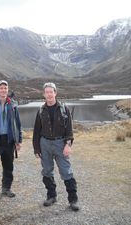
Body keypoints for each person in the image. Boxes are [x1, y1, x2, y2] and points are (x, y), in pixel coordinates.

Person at [32, 82, 79, 211]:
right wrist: (36, 149)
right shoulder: (41, 110)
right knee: (47, 171)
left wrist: (68, 144)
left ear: (55, 93)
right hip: (44, 144)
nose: (49, 94)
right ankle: (51, 196)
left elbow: (69, 129)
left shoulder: (64, 109)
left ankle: (73, 200)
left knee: (66, 171)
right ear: (44, 94)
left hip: (60, 143)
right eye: (46, 92)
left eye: (51, 92)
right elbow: (36, 131)